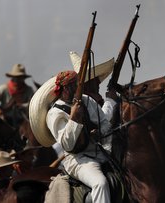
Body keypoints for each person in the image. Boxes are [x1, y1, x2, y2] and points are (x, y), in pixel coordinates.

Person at [45, 65, 118, 203]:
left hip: (101, 151)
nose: (79, 88)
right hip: (78, 159)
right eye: (74, 85)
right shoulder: (55, 113)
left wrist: (99, 134)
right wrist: (74, 118)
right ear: (65, 88)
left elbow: (105, 124)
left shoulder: (86, 100)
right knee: (100, 183)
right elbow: (68, 144)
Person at [0, 64, 34, 128]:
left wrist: (23, 106)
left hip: (23, 122)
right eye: (16, 77)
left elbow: (33, 104)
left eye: (20, 77)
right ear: (12, 77)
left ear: (23, 78)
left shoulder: (29, 90)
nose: (18, 79)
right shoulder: (4, 88)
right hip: (5, 121)